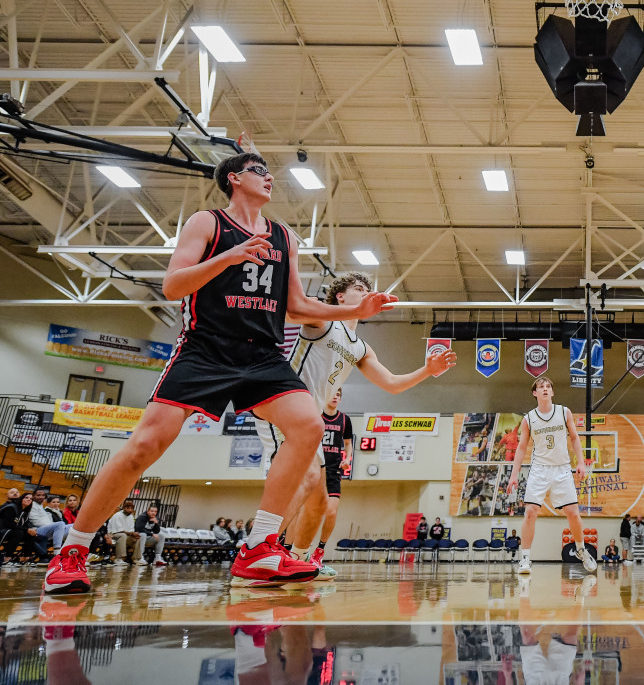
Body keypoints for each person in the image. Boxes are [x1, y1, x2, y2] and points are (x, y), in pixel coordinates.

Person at [42, 149, 397, 595]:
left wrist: (355, 310)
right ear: (233, 178)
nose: (268, 178)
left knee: (308, 426)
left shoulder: (285, 236)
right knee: (145, 446)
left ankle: (260, 546)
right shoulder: (207, 223)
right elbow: (173, 285)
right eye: (258, 171)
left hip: (261, 355)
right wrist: (228, 259)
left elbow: (297, 306)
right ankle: (72, 552)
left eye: (269, 173)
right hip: (205, 348)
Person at [262, 273, 455, 573]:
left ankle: (298, 561)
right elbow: (292, 309)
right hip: (285, 407)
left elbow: (391, 383)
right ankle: (259, 551)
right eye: (359, 289)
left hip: (309, 423)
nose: (367, 293)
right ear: (340, 296)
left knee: (319, 504)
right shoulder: (323, 321)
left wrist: (427, 370)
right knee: (308, 479)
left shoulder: (361, 347)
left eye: (369, 290)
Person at [505, 376, 597, 575]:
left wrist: (581, 462)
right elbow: (521, 448)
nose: (545, 389)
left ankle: (581, 550)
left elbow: (574, 437)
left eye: (548, 386)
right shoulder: (528, 418)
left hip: (562, 468)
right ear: (535, 393)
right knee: (530, 512)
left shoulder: (564, 412)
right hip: (539, 469)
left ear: (552, 392)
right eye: (541, 387)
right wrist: (514, 475)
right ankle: (526, 558)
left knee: (572, 513)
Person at [26, 488, 68, 555]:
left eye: (43, 495)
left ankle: (74, 550)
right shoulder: (32, 505)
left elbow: (48, 522)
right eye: (38, 495)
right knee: (60, 524)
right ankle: (57, 551)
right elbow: (35, 521)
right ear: (33, 496)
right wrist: (52, 526)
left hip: (47, 528)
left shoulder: (40, 506)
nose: (41, 497)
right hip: (37, 529)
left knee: (72, 527)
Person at [107, 500, 143, 566]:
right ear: (124, 508)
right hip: (113, 535)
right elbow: (118, 530)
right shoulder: (117, 515)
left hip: (126, 535)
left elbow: (131, 530)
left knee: (136, 538)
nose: (130, 510)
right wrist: (131, 534)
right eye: (128, 508)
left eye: (131, 508)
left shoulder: (131, 517)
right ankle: (119, 559)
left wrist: (134, 534)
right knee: (122, 535)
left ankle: (136, 559)